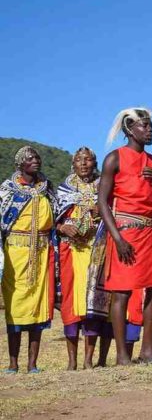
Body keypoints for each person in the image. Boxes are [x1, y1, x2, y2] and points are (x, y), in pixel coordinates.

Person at [98, 107, 152, 365]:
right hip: (124, 232)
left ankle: (147, 351)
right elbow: (103, 202)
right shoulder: (114, 158)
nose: (150, 130)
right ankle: (122, 356)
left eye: (151, 126)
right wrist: (116, 238)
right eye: (145, 126)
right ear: (129, 129)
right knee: (122, 293)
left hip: (150, 232)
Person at [0, 146, 57, 373]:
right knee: (15, 305)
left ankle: (32, 363)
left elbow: (56, 218)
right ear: (20, 164)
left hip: (42, 253)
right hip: (16, 252)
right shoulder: (7, 190)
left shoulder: (47, 189)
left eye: (37, 158)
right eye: (30, 158)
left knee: (38, 306)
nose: (35, 161)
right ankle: (13, 363)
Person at [55, 147, 103, 370]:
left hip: (97, 248)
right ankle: (72, 360)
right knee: (71, 303)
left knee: (92, 301)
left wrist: (100, 210)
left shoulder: (103, 186)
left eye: (88, 160)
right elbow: (54, 221)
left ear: (95, 162)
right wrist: (64, 227)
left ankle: (88, 360)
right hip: (71, 251)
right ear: (73, 164)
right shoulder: (64, 188)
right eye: (79, 160)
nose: (84, 163)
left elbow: (112, 211)